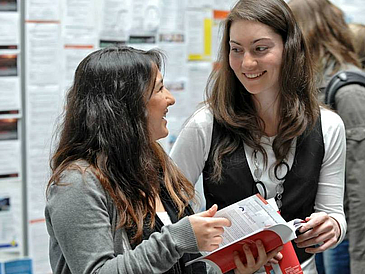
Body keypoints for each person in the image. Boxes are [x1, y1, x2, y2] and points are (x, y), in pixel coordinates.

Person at [44, 45, 282, 274]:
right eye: (159, 89)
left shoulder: (155, 164)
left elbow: (179, 266)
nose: (170, 99)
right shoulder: (78, 183)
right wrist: (179, 238)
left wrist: (236, 267)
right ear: (125, 105)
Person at [170, 0, 347, 273]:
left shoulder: (329, 126)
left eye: (260, 49)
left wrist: (333, 227)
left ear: (290, 49)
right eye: (236, 50)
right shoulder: (204, 125)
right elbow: (168, 213)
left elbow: (333, 212)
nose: (247, 63)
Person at [288, 1, 365, 273]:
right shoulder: (309, 86)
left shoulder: (348, 89)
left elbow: (359, 187)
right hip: (314, 226)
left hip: (342, 232)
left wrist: (360, 261)